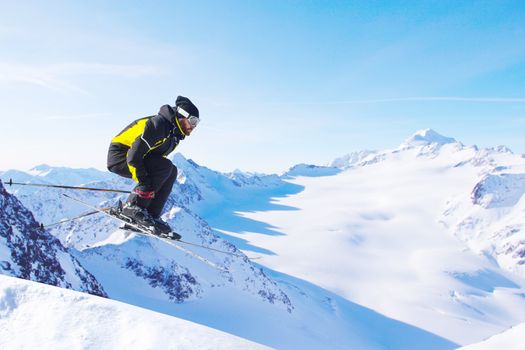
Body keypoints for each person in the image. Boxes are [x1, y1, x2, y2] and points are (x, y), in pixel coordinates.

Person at [107, 96, 200, 238]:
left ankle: (151, 215)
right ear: (182, 116)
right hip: (121, 154)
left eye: (197, 123)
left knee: (171, 170)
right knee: (164, 167)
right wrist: (144, 182)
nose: (194, 126)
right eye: (193, 121)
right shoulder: (159, 125)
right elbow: (134, 155)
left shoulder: (174, 135)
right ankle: (133, 208)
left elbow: (156, 161)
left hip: (138, 157)